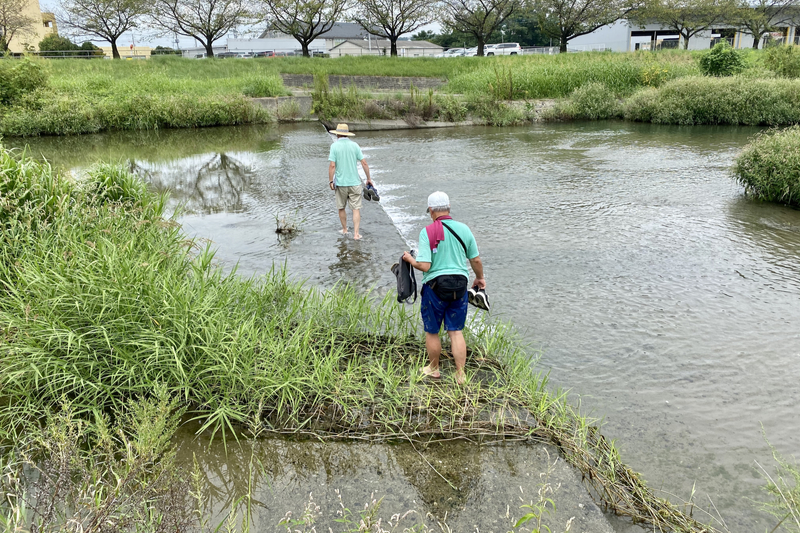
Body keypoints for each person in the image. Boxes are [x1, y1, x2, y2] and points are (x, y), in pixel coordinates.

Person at [402, 191, 485, 384]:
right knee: (455, 331)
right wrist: (480, 278)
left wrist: (409, 259)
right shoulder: (464, 229)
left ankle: (434, 369)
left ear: (431, 210)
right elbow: (475, 259)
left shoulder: (427, 232)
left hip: (435, 287)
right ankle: (460, 374)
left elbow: (425, 266)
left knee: (432, 331)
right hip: (460, 284)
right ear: (448, 208)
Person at [328, 123, 373, 240]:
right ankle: (356, 234)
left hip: (341, 183)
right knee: (355, 209)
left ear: (337, 134)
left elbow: (332, 166)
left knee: (341, 207)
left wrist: (330, 181)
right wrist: (368, 179)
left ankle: (345, 230)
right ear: (347, 134)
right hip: (354, 182)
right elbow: (364, 163)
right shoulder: (355, 145)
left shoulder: (334, 146)